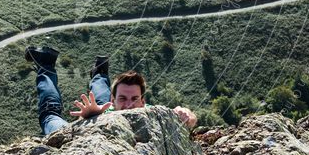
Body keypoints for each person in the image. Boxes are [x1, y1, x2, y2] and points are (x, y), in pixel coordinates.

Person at [25, 45, 197, 135]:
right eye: (122, 99)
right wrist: (90, 117)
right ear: (113, 100)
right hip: (103, 114)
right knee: (52, 114)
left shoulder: (152, 113)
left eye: (134, 99)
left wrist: (184, 114)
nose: (129, 105)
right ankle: (46, 65)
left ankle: (98, 73)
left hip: (104, 113)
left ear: (143, 102)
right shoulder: (112, 105)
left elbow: (187, 117)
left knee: (52, 115)